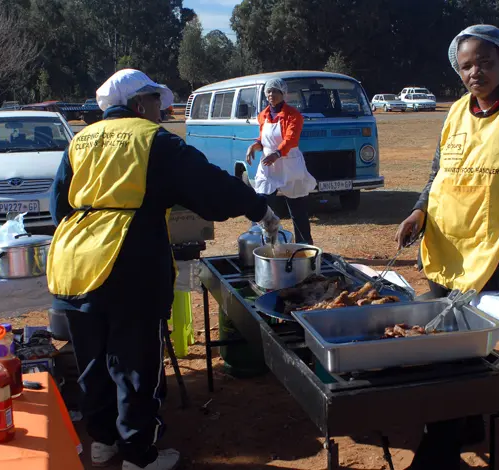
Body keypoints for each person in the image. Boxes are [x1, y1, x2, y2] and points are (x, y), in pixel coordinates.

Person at [46, 69, 279, 470]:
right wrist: (259, 208)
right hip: (127, 264)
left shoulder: (79, 141)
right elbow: (210, 186)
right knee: (135, 363)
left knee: (92, 360)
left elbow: (57, 207)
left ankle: (102, 442)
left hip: (72, 261)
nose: (164, 108)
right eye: (158, 101)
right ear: (139, 105)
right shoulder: (152, 140)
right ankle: (139, 456)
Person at [394, 25, 499, 469]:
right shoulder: (455, 113)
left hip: (496, 257)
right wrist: (418, 211)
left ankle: (439, 454)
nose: (475, 71)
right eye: (466, 65)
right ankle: (466, 424)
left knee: (456, 354)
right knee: (450, 348)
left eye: (485, 62)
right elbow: (439, 173)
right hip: (446, 250)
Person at [246, 78, 317, 244]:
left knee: (297, 210)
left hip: (290, 166)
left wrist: (277, 154)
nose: (272, 95)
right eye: (269, 92)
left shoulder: (293, 115)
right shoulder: (263, 115)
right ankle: (261, 243)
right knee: (261, 204)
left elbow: (291, 139)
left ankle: (304, 247)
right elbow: (263, 139)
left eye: (275, 91)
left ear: (283, 94)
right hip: (268, 167)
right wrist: (254, 146)